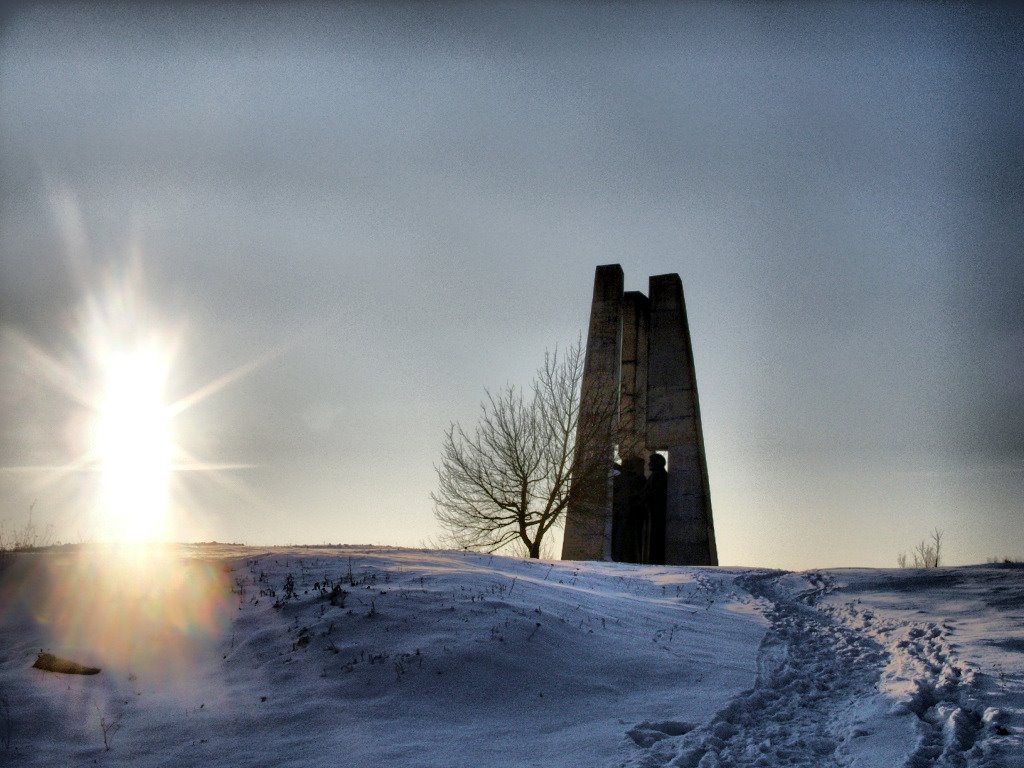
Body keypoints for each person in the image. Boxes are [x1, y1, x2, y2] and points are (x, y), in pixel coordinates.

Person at [644, 453, 668, 565]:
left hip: (658, 513)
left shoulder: (659, 476)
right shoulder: (654, 476)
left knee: (656, 537)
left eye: (651, 462)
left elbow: (650, 493)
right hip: (653, 512)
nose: (649, 464)